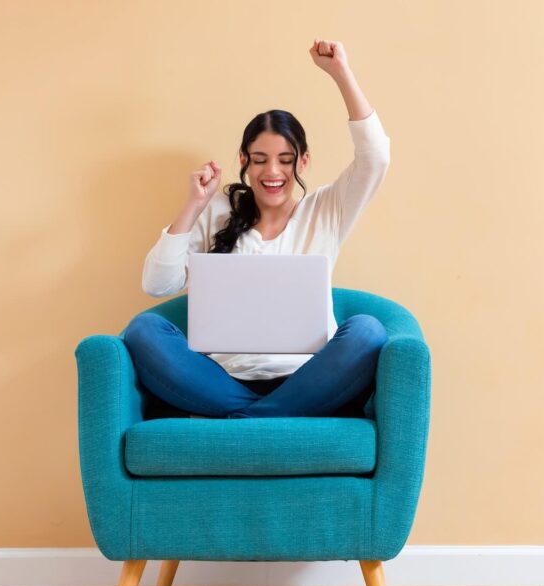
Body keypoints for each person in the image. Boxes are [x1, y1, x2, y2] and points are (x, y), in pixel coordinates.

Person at [122, 39, 390, 420]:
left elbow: (375, 157)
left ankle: (250, 419)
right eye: (260, 160)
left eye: (285, 160)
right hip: (222, 381)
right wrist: (193, 206)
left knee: (367, 331)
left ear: (304, 161)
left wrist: (340, 73)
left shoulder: (327, 209)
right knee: (144, 330)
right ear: (244, 161)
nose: (273, 173)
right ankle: (266, 415)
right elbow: (157, 283)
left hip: (309, 378)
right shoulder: (217, 212)